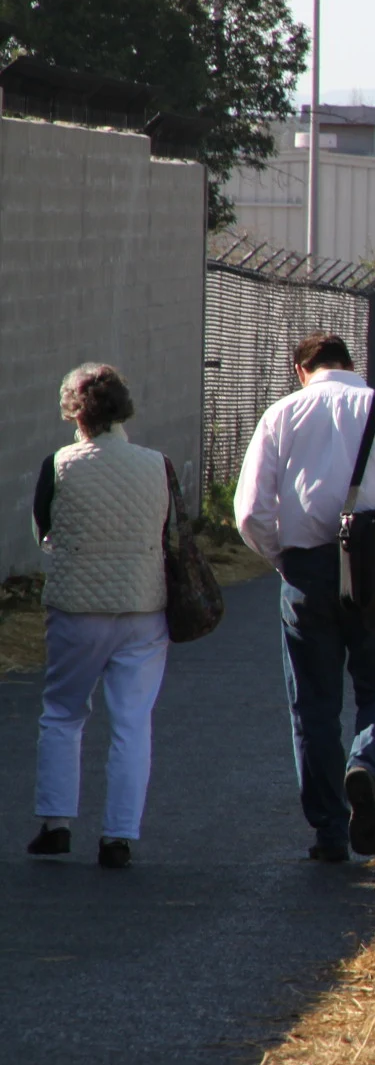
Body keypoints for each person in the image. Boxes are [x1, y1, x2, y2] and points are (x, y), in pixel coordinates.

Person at [235, 332, 375, 862]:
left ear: (300, 368)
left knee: (313, 704)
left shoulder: (281, 415)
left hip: (306, 568)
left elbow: (250, 513)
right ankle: (368, 766)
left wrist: (283, 560)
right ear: (352, 365)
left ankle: (329, 830)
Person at [26, 364, 173, 868]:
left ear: (74, 412)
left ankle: (56, 823)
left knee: (64, 714)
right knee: (132, 723)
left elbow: (42, 530)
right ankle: (119, 836)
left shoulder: (60, 463)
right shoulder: (158, 464)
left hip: (76, 609)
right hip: (143, 607)